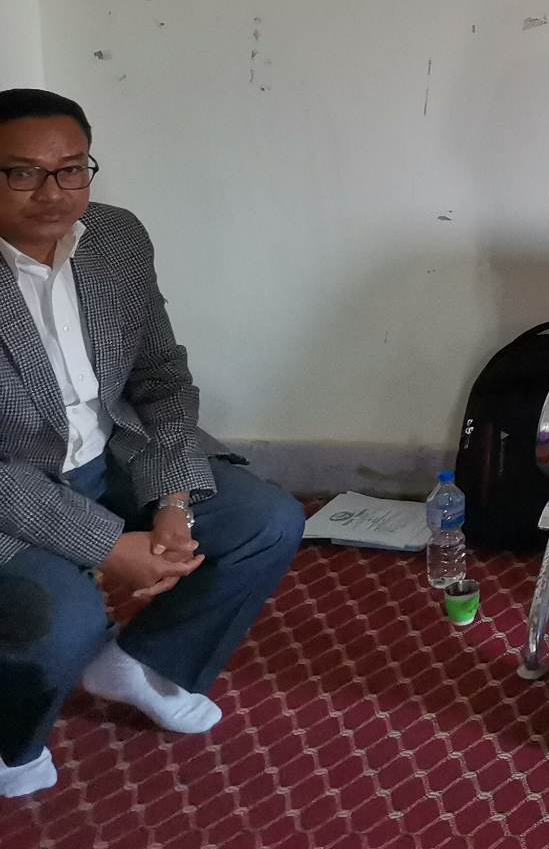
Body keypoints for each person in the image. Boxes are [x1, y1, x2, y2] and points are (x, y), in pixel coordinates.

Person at [0, 88, 304, 799]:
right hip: (13, 485)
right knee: (63, 618)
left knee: (265, 521)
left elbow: (161, 377)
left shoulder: (116, 237)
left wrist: (173, 498)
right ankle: (12, 744)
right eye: (23, 172)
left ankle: (143, 662)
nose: (54, 192)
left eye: (72, 168)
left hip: (110, 454)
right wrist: (107, 545)